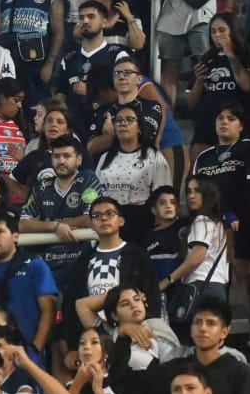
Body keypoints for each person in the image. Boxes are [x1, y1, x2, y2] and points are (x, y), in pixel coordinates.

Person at [191, 104, 250, 349]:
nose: (224, 122)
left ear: (241, 125)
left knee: (249, 279)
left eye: (231, 118)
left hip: (247, 224)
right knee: (236, 283)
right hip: (215, 228)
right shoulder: (204, 157)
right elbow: (196, 192)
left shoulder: (249, 148)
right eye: (220, 118)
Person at [61, 197, 162, 346]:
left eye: (110, 213)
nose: (103, 218)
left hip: (135, 337)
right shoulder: (82, 262)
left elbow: (152, 296)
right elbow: (71, 307)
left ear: (121, 221)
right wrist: (72, 347)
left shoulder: (138, 255)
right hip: (95, 339)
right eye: (97, 215)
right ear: (91, 224)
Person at [19, 135, 101, 287]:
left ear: (79, 159)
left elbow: (91, 218)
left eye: (67, 156)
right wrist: (55, 227)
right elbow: (23, 224)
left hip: (81, 262)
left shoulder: (88, 178)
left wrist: (46, 225)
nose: (61, 161)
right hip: (48, 264)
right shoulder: (42, 186)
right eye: (56, 156)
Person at [0, 211, 58, 358]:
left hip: (28, 351)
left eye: (0, 232)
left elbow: (49, 311)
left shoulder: (34, 266)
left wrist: (35, 349)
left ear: (15, 236)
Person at [95, 105, 172, 242]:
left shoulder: (153, 157)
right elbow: (97, 193)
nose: (123, 123)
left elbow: (163, 194)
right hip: (109, 219)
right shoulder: (105, 158)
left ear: (139, 128)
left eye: (129, 120)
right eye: (119, 120)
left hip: (141, 220)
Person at [54, 1, 128, 142]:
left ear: (104, 22)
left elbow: (126, 93)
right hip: (74, 131)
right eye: (81, 18)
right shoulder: (69, 58)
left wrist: (91, 90)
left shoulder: (118, 55)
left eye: (91, 16)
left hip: (108, 129)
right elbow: (60, 93)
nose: (85, 21)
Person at [163, 177, 228, 332]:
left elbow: (196, 258)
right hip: (218, 286)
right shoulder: (217, 222)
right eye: (189, 191)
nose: (191, 196)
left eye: (197, 191)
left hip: (200, 286)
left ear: (208, 193)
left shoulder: (201, 221)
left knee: (193, 339)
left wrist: (168, 280)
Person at [186, 12, 250, 156]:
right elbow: (191, 104)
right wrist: (199, 81)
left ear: (233, 31)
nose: (217, 35)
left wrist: (230, 55)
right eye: (213, 31)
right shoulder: (206, 59)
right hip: (207, 124)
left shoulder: (246, 55)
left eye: (222, 30)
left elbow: (247, 85)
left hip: (237, 125)